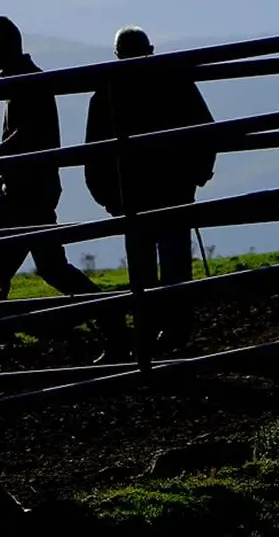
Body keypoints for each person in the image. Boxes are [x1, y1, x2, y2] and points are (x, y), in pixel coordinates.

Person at [0, 15, 131, 362]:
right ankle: (114, 325)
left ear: (3, 44)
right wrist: (1, 176)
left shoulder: (26, 83)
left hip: (26, 194)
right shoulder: (28, 80)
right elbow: (32, 139)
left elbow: (26, 137)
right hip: (31, 189)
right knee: (40, 269)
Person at [83, 25, 217, 353]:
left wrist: (106, 195)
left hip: (133, 194)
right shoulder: (175, 81)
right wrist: (197, 174)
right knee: (174, 264)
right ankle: (174, 332)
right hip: (172, 189)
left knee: (142, 268)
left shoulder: (108, 92)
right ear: (152, 49)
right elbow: (207, 130)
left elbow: (92, 153)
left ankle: (149, 332)